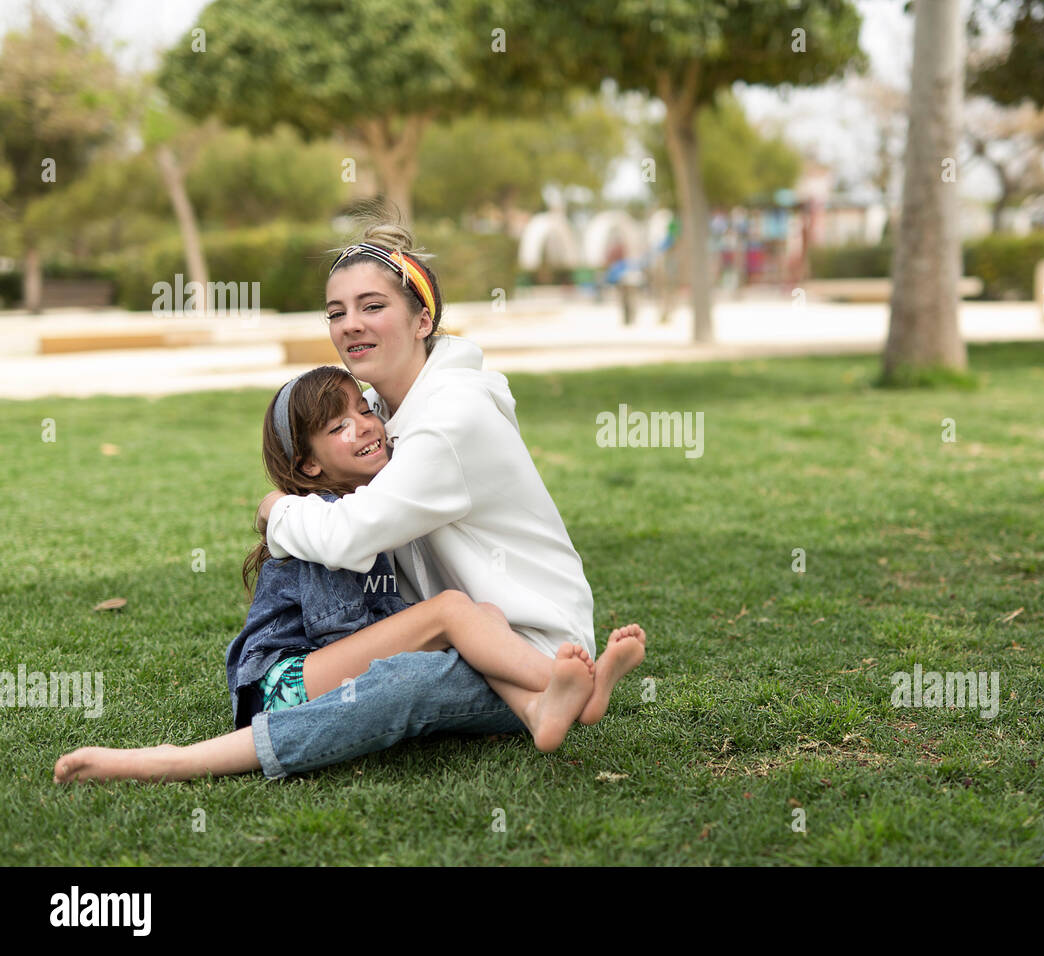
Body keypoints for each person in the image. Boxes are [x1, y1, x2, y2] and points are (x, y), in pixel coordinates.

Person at [54, 366, 609, 783]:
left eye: (365, 411)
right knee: (451, 612)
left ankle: (542, 707)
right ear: (310, 465)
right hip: (284, 684)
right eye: (340, 425)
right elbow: (342, 638)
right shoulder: (321, 523)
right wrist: (424, 642)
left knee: (481, 615)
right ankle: (561, 686)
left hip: (323, 669)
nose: (366, 425)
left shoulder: (371, 505)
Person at [255, 216, 645, 731]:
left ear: (422, 321)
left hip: (525, 642)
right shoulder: (378, 411)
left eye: (373, 306)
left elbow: (348, 536)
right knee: (387, 671)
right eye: (336, 312)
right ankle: (552, 704)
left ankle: (569, 692)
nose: (350, 323)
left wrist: (275, 509)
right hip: (457, 630)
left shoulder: (450, 419)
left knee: (380, 692)